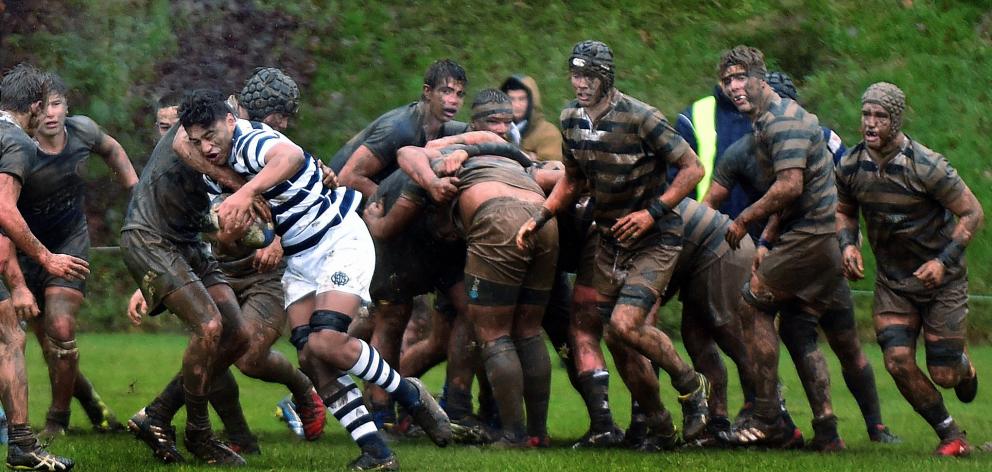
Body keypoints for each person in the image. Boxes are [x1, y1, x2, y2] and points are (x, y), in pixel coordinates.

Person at [177, 89, 450, 469]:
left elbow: (287, 155)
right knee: (311, 357)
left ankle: (409, 394)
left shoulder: (252, 140)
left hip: (338, 239)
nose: (206, 147)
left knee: (328, 340)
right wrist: (235, 230)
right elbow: (225, 233)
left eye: (211, 136)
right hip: (298, 263)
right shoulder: (212, 175)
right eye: (197, 141)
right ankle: (377, 452)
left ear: (229, 122)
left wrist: (248, 193)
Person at [516, 40, 711, 447]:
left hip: (656, 237)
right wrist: (541, 216)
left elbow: (692, 169)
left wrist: (651, 213)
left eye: (589, 75)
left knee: (627, 324)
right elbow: (572, 179)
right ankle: (659, 424)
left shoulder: (642, 117)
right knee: (616, 339)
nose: (581, 83)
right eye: (576, 74)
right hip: (608, 239)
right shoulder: (571, 118)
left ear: (607, 77)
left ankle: (692, 387)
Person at [703, 72, 900, 445]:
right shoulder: (747, 150)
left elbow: (844, 200)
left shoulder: (822, 140)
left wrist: (849, 244)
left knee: (799, 329)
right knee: (805, 335)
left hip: (808, 249)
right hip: (799, 251)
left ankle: (786, 420)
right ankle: (830, 428)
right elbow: (715, 202)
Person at [836, 82, 983, 457]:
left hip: (941, 282)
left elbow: (972, 212)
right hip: (893, 283)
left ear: (896, 120)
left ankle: (962, 367)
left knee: (945, 375)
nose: (870, 123)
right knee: (897, 361)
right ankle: (950, 434)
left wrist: (942, 261)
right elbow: (844, 208)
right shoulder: (851, 164)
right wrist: (848, 243)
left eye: (880, 116)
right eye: (866, 114)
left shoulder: (927, 165)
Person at [714, 46, 844, 449]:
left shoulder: (781, 121)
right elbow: (787, 195)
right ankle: (827, 432)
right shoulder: (772, 119)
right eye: (727, 80)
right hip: (815, 239)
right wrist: (767, 240)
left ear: (760, 77)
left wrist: (744, 220)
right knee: (799, 330)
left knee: (751, 307)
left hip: (811, 237)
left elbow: (790, 186)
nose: (735, 86)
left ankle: (769, 416)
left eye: (741, 77)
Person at [400, 140, 560, 446]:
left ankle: (514, 435)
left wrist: (433, 180)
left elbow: (406, 153)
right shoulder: (514, 160)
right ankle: (538, 434)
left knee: (493, 334)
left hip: (497, 216)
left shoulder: (445, 155)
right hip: (543, 217)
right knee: (528, 331)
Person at [120, 98, 251, 466]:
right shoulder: (194, 129)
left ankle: (157, 414)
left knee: (237, 335)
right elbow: (181, 142)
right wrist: (239, 188)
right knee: (209, 326)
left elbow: (220, 230)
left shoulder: (244, 143)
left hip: (188, 241)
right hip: (150, 239)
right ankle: (199, 432)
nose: (207, 146)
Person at [23, 71, 137, 440]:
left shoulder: (83, 130)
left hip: (69, 242)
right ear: (33, 111)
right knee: (44, 340)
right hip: (24, 248)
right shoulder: (17, 144)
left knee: (61, 328)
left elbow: (113, 149)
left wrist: (135, 193)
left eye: (58, 104)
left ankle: (58, 421)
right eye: (44, 107)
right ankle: (90, 402)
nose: (51, 114)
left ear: (66, 106)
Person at [0, 62, 81, 471]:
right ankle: (22, 445)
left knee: (9, 337)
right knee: (8, 339)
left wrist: (15, 284)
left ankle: (21, 445)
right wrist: (45, 257)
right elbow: (4, 211)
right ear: (33, 106)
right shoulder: (18, 142)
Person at [331, 59, 469, 198]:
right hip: (336, 204)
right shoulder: (398, 128)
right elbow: (348, 177)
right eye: (446, 91)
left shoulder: (444, 127)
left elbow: (478, 134)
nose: (454, 100)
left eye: (459, 94)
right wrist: (388, 205)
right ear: (427, 91)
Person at [499, 74, 563, 161]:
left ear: (532, 101)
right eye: (511, 99)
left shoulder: (548, 133)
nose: (516, 105)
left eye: (522, 99)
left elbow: (554, 168)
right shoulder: (498, 129)